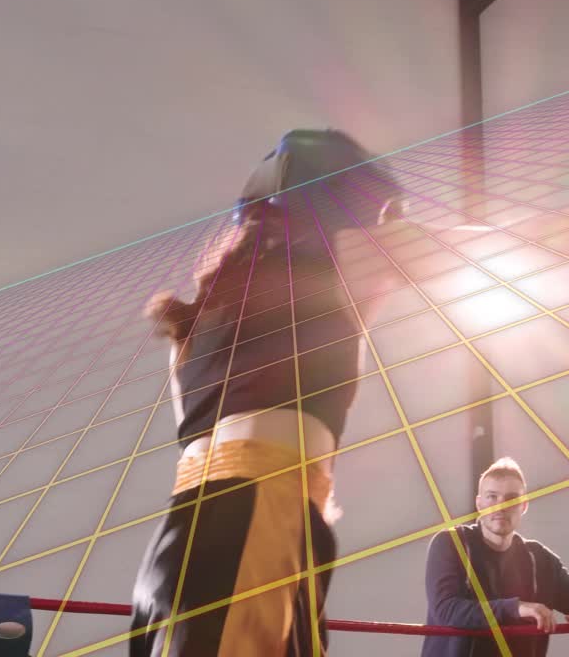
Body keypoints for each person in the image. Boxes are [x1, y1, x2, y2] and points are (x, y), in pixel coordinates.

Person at [128, 129, 417, 656]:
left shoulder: (191, 323)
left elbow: (208, 439)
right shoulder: (339, 263)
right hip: (260, 515)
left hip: (186, 528)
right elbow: (489, 247)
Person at [421, 457, 569, 657]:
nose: (501, 506)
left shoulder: (540, 558)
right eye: (492, 497)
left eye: (510, 498)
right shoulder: (450, 543)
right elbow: (446, 610)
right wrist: (516, 608)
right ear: (479, 503)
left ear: (523, 506)